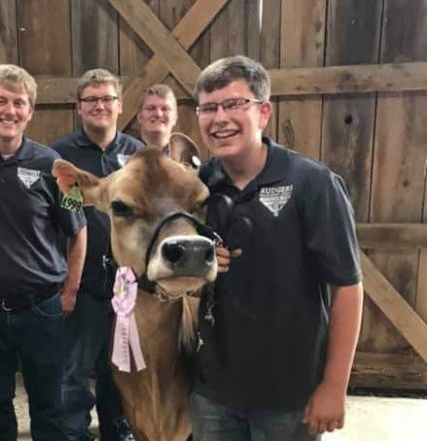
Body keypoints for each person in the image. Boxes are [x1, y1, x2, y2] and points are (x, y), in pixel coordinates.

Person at [189, 55, 364, 441]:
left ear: (264, 112)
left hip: (289, 394)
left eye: (234, 104)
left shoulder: (311, 183)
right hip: (213, 392)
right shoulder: (197, 186)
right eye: (209, 108)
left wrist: (334, 386)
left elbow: (347, 287)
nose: (220, 119)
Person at [0, 64, 87, 441]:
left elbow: (80, 230)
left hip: (41, 308)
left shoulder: (57, 166)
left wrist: (70, 288)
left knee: (49, 406)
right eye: (1, 101)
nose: (10, 110)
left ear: (31, 112)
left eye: (19, 103)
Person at [51, 68, 142, 441]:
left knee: (120, 371)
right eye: (91, 99)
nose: (99, 106)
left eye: (107, 99)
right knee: (74, 373)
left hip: (128, 287)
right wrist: (65, 283)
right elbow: (58, 218)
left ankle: (116, 434)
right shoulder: (60, 157)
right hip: (83, 285)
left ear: (120, 105)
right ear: (79, 107)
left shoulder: (137, 155)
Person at [137, 83, 178, 152]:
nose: (158, 114)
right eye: (151, 108)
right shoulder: (125, 157)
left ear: (175, 118)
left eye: (165, 109)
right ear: (139, 117)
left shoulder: (183, 160)